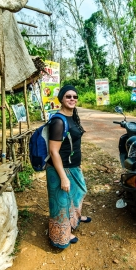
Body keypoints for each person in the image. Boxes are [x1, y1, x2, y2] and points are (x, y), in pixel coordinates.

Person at [46, 85, 90, 249]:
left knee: (79, 192)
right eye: (68, 96)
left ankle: (74, 218)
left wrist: (78, 164)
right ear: (61, 99)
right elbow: (53, 151)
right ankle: (61, 236)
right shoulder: (58, 121)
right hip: (60, 169)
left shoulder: (72, 116)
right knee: (61, 203)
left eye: (75, 97)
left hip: (73, 167)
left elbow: (74, 144)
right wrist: (63, 177)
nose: (72, 99)